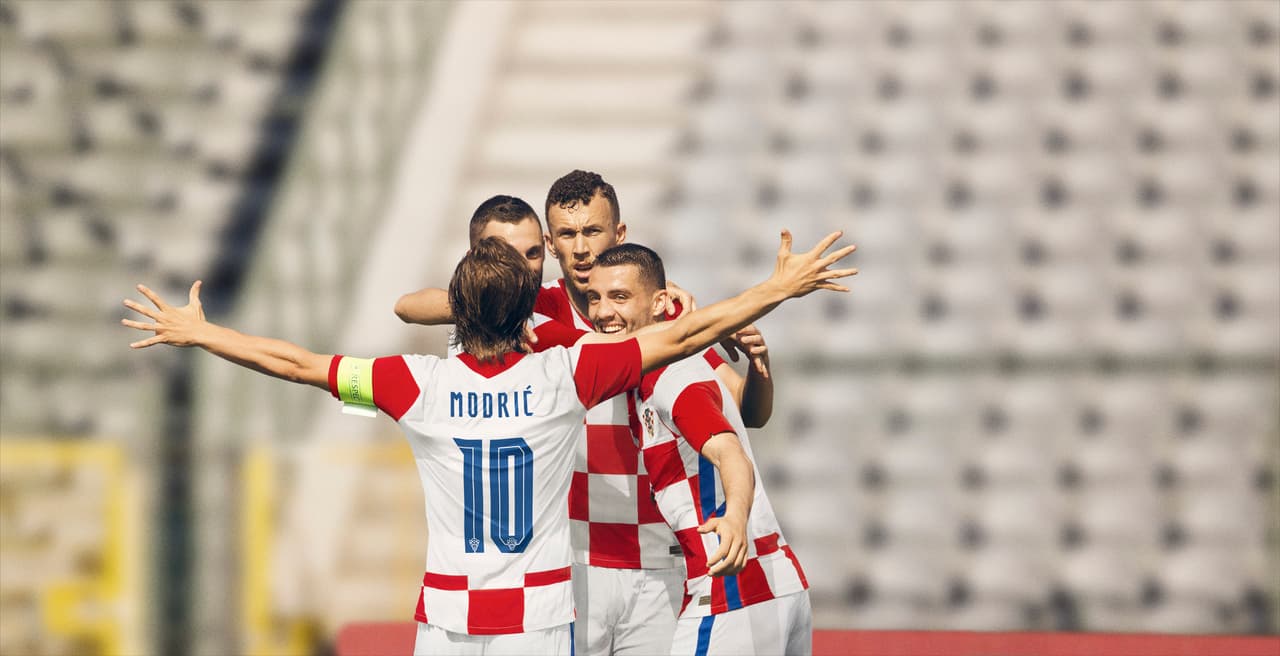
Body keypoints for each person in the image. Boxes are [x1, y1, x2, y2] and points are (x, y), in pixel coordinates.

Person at [122, 228, 856, 655]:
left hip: (445, 620)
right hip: (538, 618)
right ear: (526, 315)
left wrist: (201, 332)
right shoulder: (566, 374)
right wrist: (773, 289)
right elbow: (687, 332)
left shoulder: (416, 386)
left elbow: (296, 363)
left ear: (458, 318)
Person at [396, 171, 772, 655]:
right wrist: (489, 303)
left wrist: (763, 367)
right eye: (567, 236)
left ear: (619, 234)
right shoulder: (527, 310)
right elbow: (410, 305)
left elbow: (747, 411)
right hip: (573, 563)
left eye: (592, 232)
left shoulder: (662, 315)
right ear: (551, 244)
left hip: (657, 559)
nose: (580, 249)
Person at [584, 243, 812, 655]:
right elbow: (748, 414)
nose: (602, 312)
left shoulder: (668, 379)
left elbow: (730, 453)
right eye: (594, 298)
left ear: (658, 304)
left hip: (730, 593)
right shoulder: (688, 360)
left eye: (619, 297)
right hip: (778, 582)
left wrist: (736, 517)